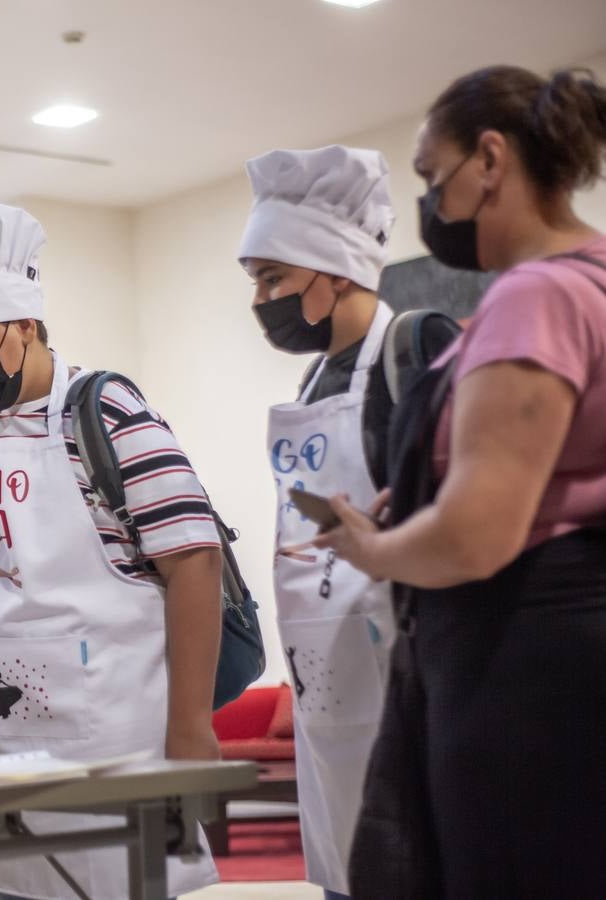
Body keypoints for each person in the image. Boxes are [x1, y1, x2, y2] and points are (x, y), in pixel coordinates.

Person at [317, 65, 606, 897]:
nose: (430, 204)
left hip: (526, 671)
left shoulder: (536, 298)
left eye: (429, 177)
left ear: (490, 159)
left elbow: (477, 534)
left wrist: (374, 548)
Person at [0, 202, 224, 900]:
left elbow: (195, 559)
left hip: (108, 743)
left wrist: (192, 729)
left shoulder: (104, 411)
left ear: (23, 323)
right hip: (2, 755)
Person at [238, 145, 455, 900]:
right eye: (256, 281)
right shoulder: (314, 376)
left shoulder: (415, 348)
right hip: (323, 678)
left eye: (273, 278)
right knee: (348, 872)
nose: (260, 298)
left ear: (334, 272)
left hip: (405, 669)